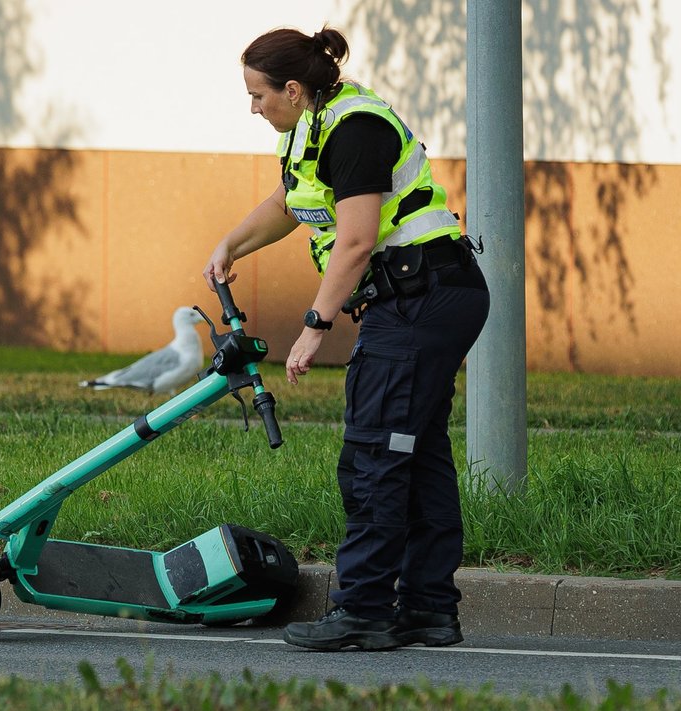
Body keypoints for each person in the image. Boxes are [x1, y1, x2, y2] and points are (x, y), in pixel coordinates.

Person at [202, 26, 490, 651]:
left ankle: (363, 611)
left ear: (294, 88)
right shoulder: (314, 124)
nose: (253, 108)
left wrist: (314, 325)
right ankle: (428, 609)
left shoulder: (355, 128)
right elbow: (290, 203)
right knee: (414, 451)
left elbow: (357, 240)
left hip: (420, 298)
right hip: (426, 296)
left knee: (374, 457)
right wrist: (231, 245)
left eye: (258, 96)